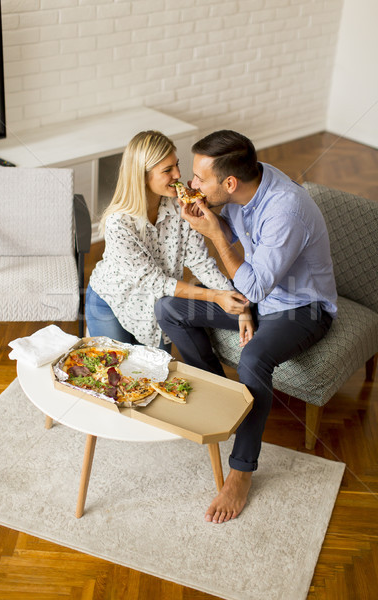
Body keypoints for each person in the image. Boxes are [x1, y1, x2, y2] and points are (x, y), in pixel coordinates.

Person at [155, 130, 338, 524]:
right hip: (259, 296)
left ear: (230, 183)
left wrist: (216, 234)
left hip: (301, 308)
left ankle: (240, 473)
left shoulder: (285, 210)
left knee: (254, 358)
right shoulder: (248, 184)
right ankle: (219, 400)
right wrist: (209, 214)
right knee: (170, 308)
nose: (192, 184)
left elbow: (251, 281)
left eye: (200, 179)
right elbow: (244, 253)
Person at [86, 130, 253, 353]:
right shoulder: (119, 223)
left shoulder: (179, 206)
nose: (178, 174)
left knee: (155, 376)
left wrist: (238, 304)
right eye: (167, 170)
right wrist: (216, 297)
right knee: (114, 374)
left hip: (155, 308)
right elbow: (156, 282)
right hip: (111, 303)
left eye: (177, 165)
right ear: (143, 176)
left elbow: (200, 262)